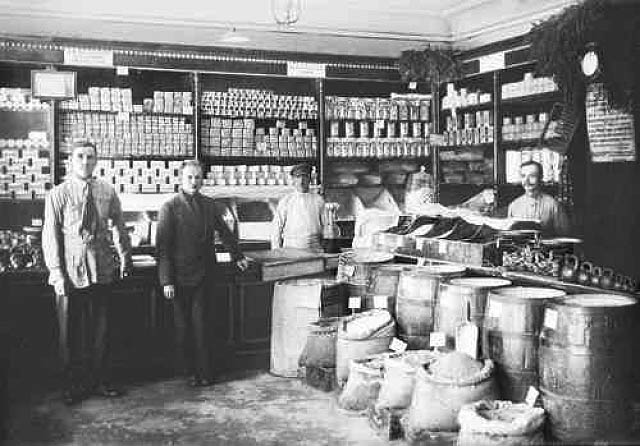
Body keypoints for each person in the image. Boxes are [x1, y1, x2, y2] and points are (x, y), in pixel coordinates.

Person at [42, 141, 132, 405]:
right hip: (72, 272)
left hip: (101, 269)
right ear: (71, 161)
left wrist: (125, 257)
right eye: (80, 156)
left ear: (96, 160)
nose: (85, 161)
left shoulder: (106, 191)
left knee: (102, 329)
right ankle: (73, 385)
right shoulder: (58, 194)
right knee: (71, 331)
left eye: (90, 157)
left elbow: (119, 226)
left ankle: (101, 380)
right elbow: (50, 237)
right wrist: (57, 273)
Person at [155, 160, 249, 387]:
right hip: (179, 278)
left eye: (197, 177)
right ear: (181, 179)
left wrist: (238, 256)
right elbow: (163, 248)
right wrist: (166, 280)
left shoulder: (209, 204)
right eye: (189, 177)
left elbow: (224, 233)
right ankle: (189, 372)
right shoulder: (169, 207)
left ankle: (205, 372)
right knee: (183, 328)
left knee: (203, 326)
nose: (194, 181)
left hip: (206, 274)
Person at [508, 160, 570, 236]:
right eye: (523, 176)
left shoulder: (553, 205)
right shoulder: (514, 206)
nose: (527, 181)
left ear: (540, 177)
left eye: (532, 176)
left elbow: (564, 236)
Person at [271, 163, 326, 251]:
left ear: (310, 179)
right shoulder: (286, 201)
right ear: (293, 180)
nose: (301, 181)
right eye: (298, 177)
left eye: (305, 176)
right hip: (290, 249)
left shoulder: (318, 200)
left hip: (314, 248)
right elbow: (276, 229)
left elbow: (326, 226)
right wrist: (276, 251)